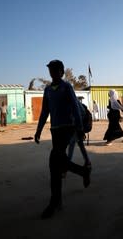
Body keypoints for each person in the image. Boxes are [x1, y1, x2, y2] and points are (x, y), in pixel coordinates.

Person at [34, 59, 91, 219]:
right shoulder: (48, 90)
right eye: (50, 70)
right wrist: (38, 130)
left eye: (55, 69)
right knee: (59, 163)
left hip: (68, 128)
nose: (52, 72)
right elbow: (45, 111)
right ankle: (83, 171)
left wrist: (79, 129)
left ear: (61, 71)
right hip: (55, 130)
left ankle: (54, 202)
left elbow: (74, 106)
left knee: (54, 162)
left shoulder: (67, 87)